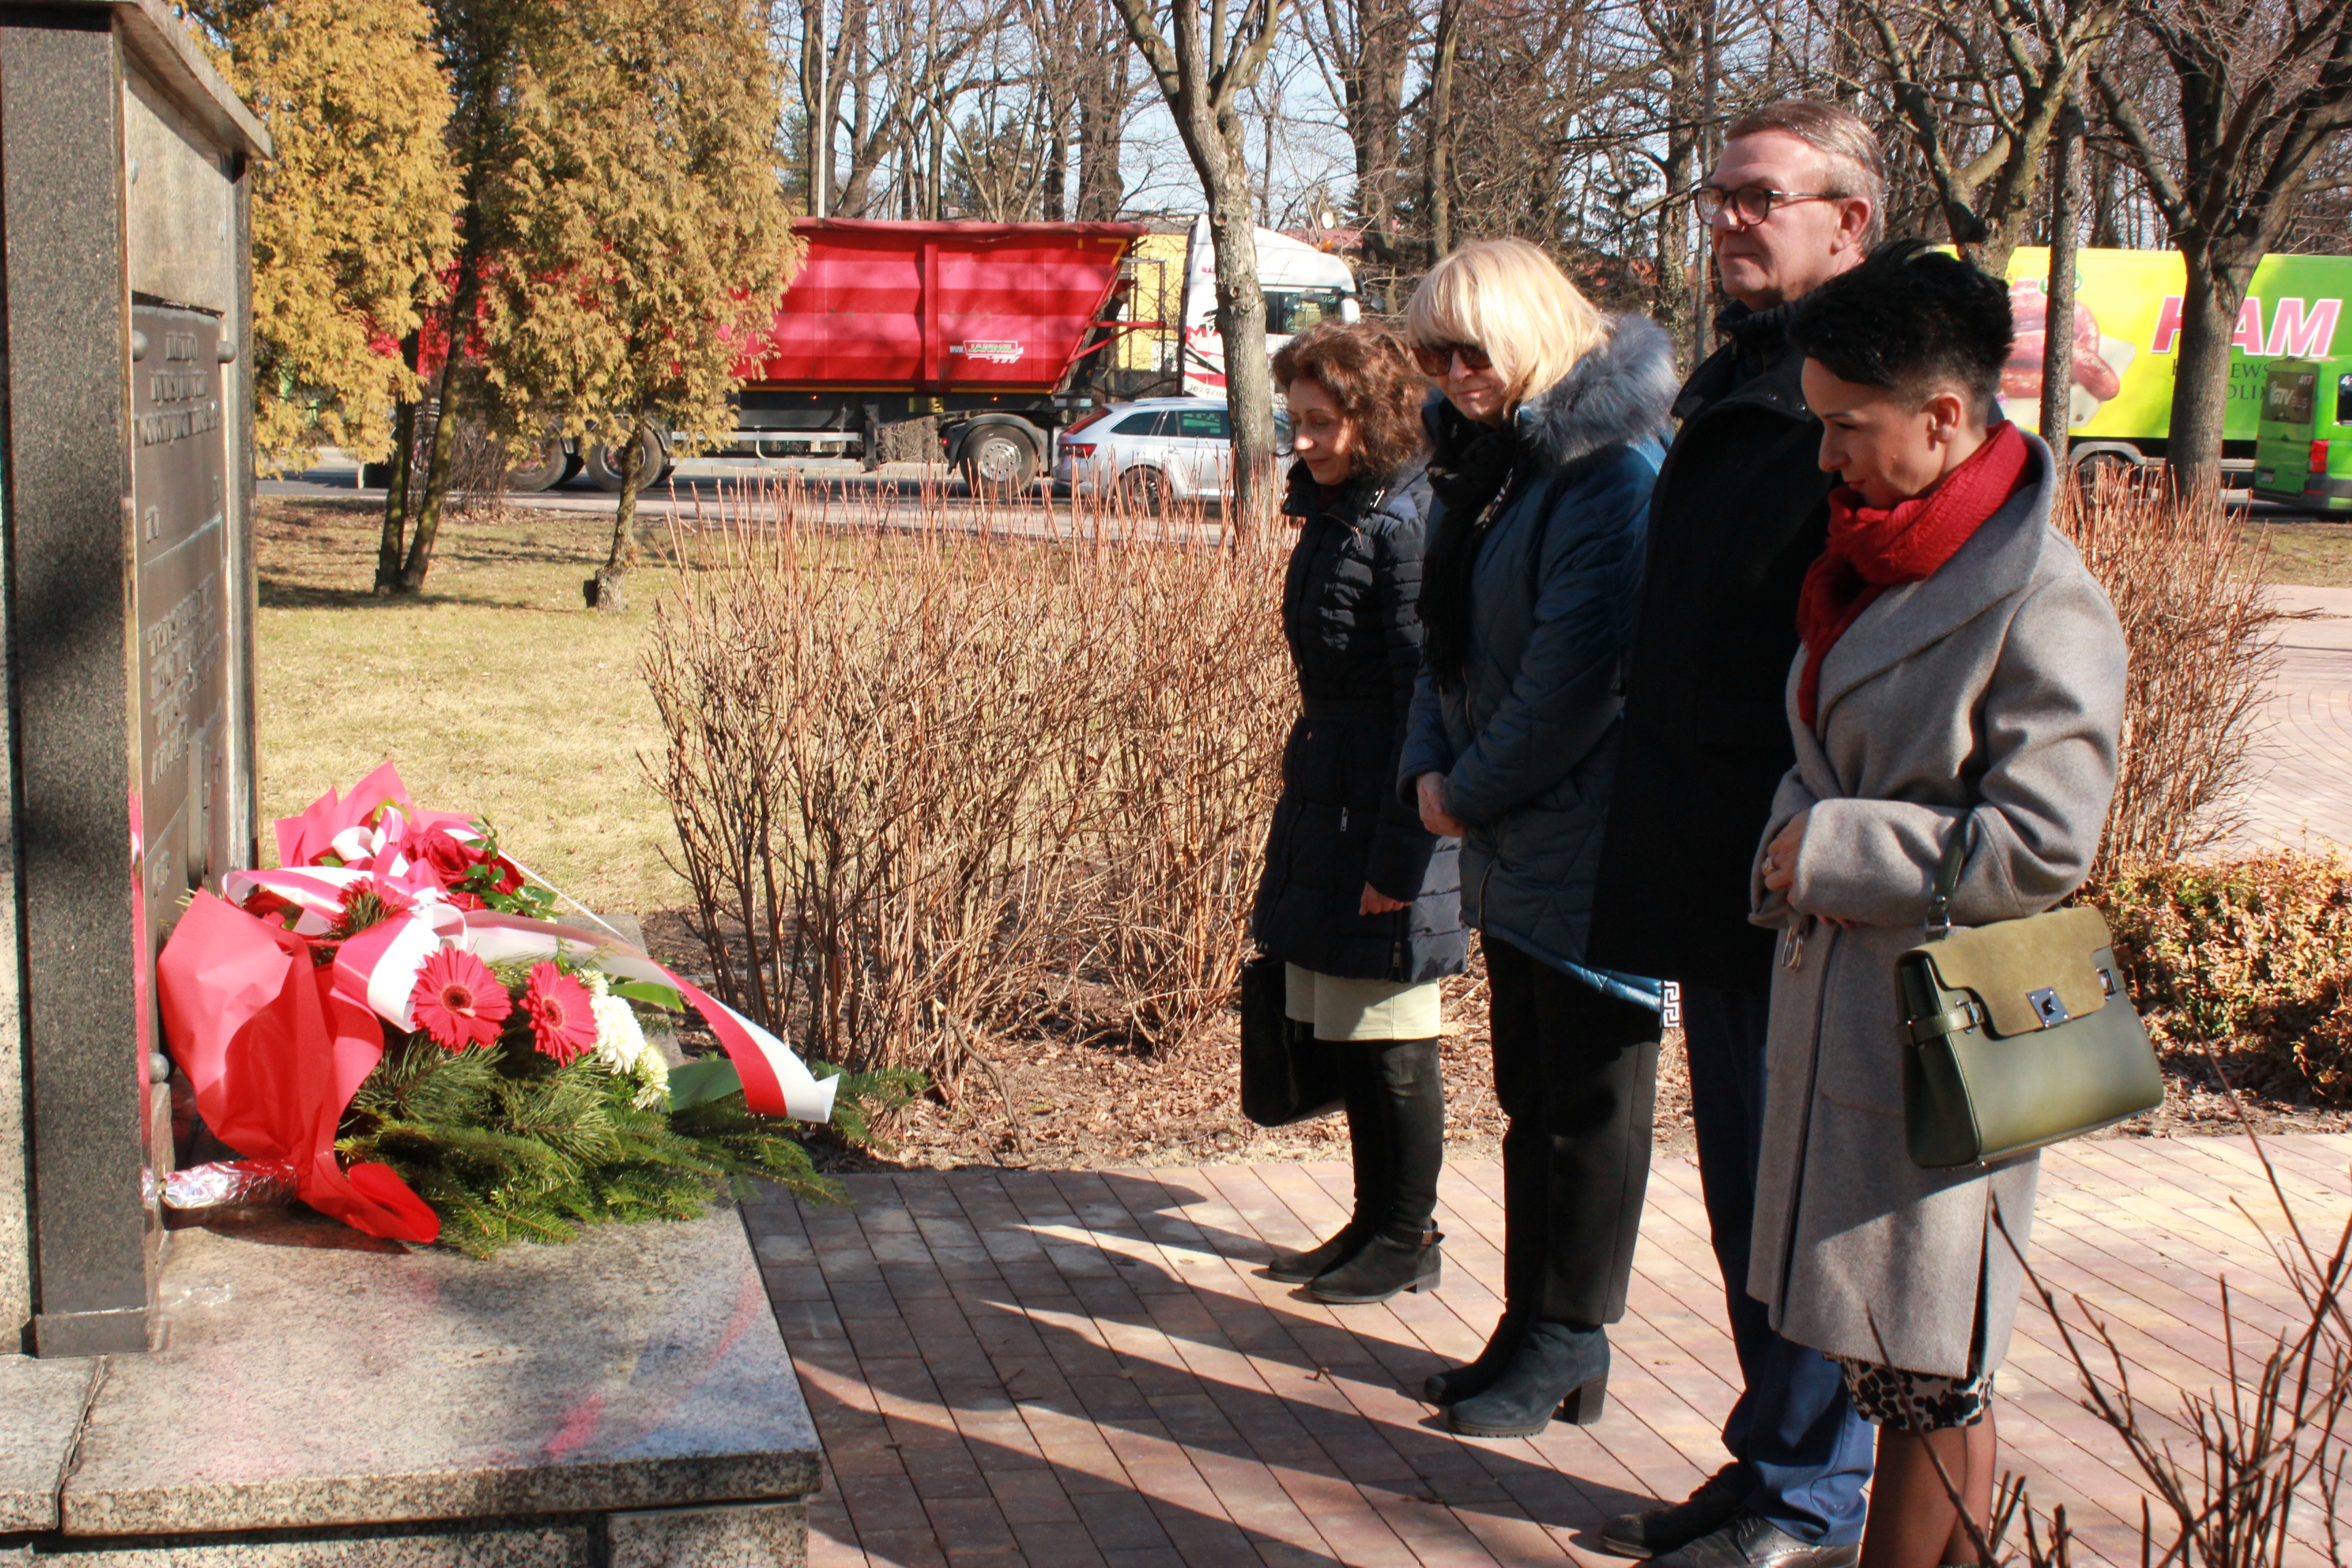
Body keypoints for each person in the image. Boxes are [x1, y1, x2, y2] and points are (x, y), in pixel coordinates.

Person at [1751, 240, 2125, 1563]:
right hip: (1856, 1024)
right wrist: (1800, 837)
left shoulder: (2040, 598)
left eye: (1846, 428)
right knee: (1899, 1372)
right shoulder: (1875, 556)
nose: (1824, 457)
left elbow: (2043, 843)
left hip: (1950, 1043)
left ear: (1946, 417)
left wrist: (1834, 846)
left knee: (1932, 1372)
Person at [1584, 100, 1886, 1567]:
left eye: (1765, 197)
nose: (1731, 217)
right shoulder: (1740, 384)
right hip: (1713, 855)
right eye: (1720, 195)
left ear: (1852, 223)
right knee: (1748, 1189)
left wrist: (1813, 832)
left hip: (1799, 867)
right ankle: (1772, 1454)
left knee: (1808, 1197)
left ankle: (1815, 1494)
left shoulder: (1867, 398)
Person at [1395, 238, 1678, 1439]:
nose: (1453, 371)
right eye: (1432, 351)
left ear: (1534, 333)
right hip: (1520, 831)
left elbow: (1577, 681)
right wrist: (1429, 766)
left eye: (1473, 346)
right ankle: (1535, 1324)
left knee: (1591, 1101)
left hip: (1590, 832)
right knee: (1533, 1095)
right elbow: (1446, 644)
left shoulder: (1610, 476)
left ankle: (1571, 1332)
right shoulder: (1500, 467)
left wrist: (1465, 788)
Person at [1252, 323, 1466, 1306]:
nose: (1302, 440)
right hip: (1331, 796)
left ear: (1371, 416)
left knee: (1392, 1030)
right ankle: (1373, 1219)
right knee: (1349, 1026)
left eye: (1321, 422)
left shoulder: (1405, 521)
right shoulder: (1343, 511)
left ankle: (1409, 1230)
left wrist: (1400, 853)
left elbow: (1424, 696)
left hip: (1384, 805)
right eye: (1295, 420)